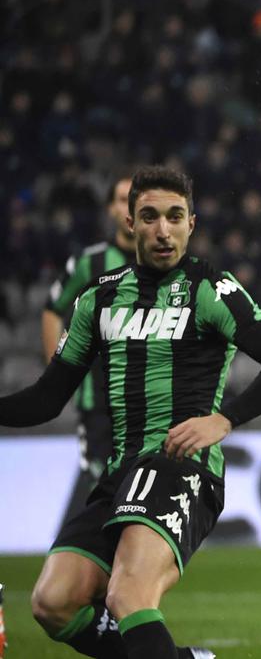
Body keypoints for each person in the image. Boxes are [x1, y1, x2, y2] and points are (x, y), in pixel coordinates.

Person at [1, 166, 261, 659]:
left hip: (179, 466)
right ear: (130, 223)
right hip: (121, 471)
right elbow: (46, 397)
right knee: (52, 603)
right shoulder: (98, 298)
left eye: (174, 217)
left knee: (127, 595)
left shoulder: (210, 287)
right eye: (150, 217)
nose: (163, 230)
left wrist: (223, 419)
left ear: (192, 223)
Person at [42, 176, 137, 522]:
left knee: (134, 491)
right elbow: (52, 309)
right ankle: (71, 558)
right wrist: (59, 372)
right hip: (97, 400)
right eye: (123, 198)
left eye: (136, 198)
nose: (130, 206)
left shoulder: (166, 264)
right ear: (112, 209)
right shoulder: (90, 261)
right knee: (98, 483)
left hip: (148, 402)